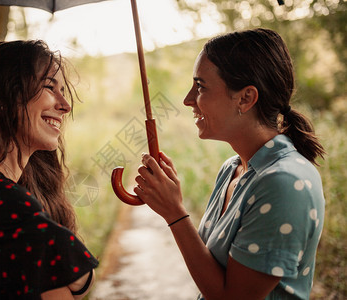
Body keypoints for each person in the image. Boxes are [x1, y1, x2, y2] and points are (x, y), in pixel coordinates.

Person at [134, 28, 325, 299]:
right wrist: (172, 202)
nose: (188, 100)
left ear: (245, 98)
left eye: (200, 86)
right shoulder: (231, 169)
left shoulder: (284, 183)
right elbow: (212, 269)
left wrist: (174, 213)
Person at [0, 40, 98, 299]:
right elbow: (78, 274)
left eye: (63, 90)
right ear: (4, 96)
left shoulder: (5, 190)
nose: (65, 105)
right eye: (50, 87)